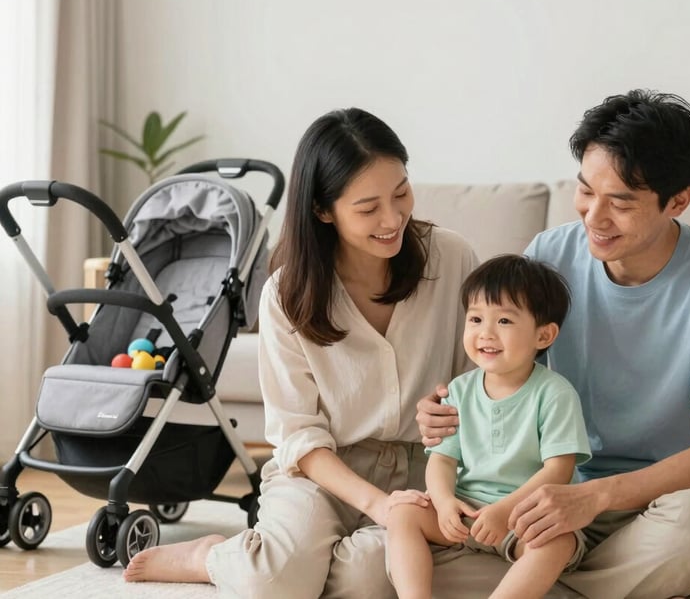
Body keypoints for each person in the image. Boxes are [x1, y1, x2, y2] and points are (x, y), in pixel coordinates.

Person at [417, 89, 690, 598]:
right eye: (586, 191)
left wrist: (596, 496)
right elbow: (502, 376)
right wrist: (446, 412)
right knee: (377, 557)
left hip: (663, 512)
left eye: (621, 202)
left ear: (680, 200)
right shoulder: (550, 255)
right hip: (551, 512)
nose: (594, 217)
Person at [123, 107, 479, 597]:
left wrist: (452, 411)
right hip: (323, 473)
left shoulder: (452, 257)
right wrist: (379, 506)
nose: (393, 218)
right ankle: (214, 557)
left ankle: (289, 557)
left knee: (371, 578)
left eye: (401, 193)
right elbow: (299, 436)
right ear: (322, 210)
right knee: (271, 584)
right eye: (368, 207)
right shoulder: (287, 294)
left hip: (426, 466)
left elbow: (487, 379)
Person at [387, 254, 592, 599]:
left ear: (544, 335)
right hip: (467, 507)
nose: (486, 333)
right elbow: (442, 460)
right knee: (404, 513)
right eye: (477, 319)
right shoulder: (458, 390)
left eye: (505, 321)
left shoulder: (555, 393)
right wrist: (445, 500)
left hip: (525, 514)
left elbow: (559, 471)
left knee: (557, 541)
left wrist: (504, 511)